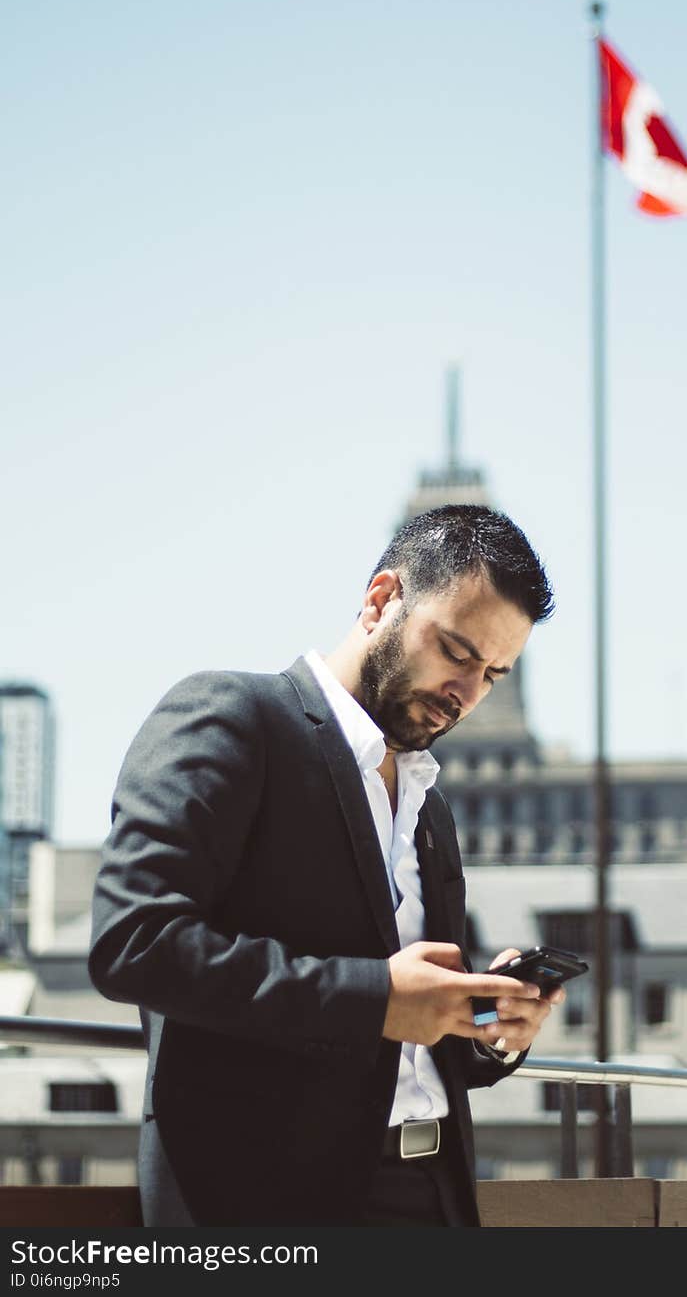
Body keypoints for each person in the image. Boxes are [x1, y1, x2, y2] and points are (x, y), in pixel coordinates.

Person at [88, 504, 560, 1227]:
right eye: (459, 653)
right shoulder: (231, 719)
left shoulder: (429, 803)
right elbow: (135, 943)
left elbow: (395, 1043)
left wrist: (488, 1025)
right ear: (381, 602)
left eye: (494, 674)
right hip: (266, 1208)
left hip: (435, 1198)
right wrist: (377, 998)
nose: (467, 693)